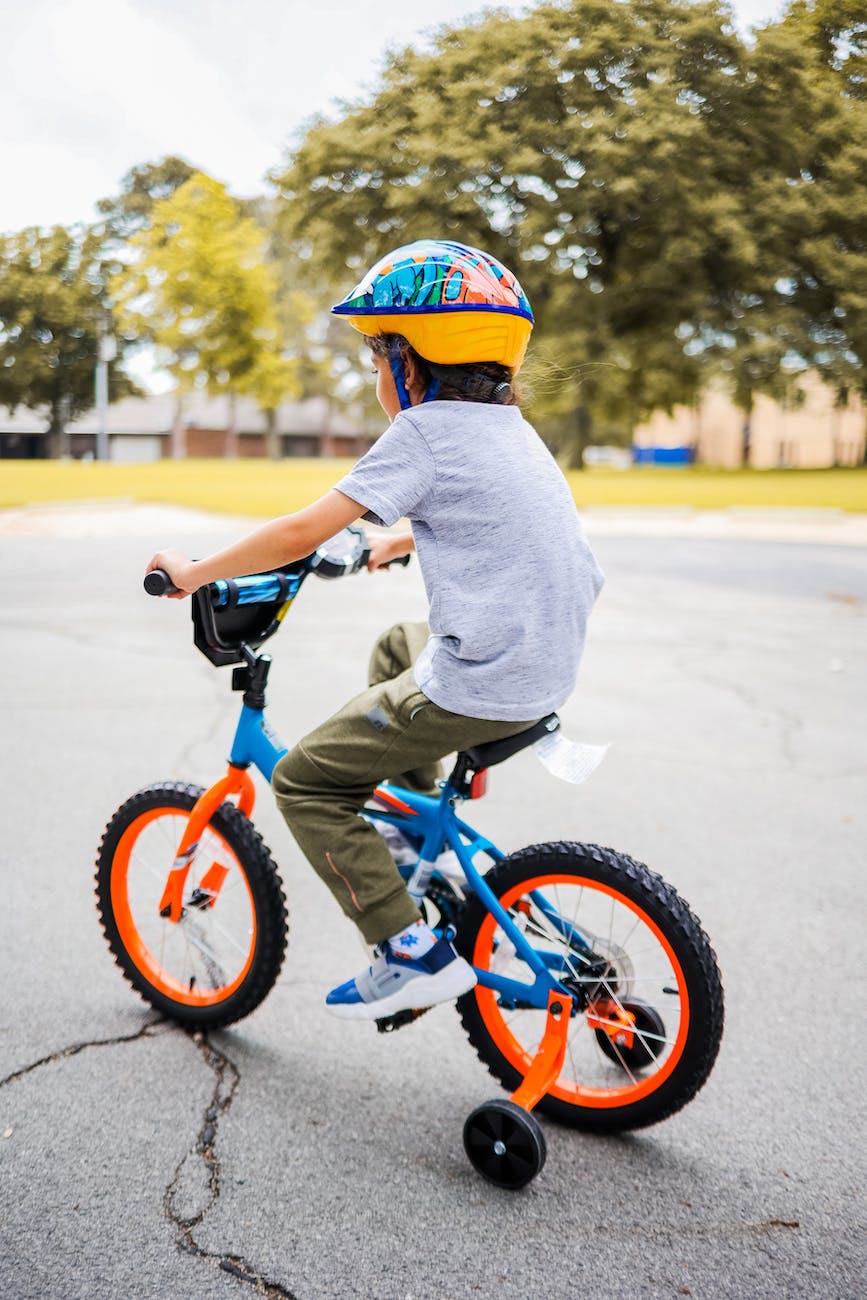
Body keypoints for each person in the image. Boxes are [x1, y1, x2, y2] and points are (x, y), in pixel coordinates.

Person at [146, 239, 604, 1022]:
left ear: (409, 360)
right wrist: (396, 541)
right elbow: (490, 518)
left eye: (375, 360)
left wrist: (195, 571)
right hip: (544, 666)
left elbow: (301, 530)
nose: (376, 379)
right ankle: (409, 833)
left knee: (304, 783)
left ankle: (408, 951)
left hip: (482, 684)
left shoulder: (423, 433)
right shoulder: (508, 426)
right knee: (399, 643)